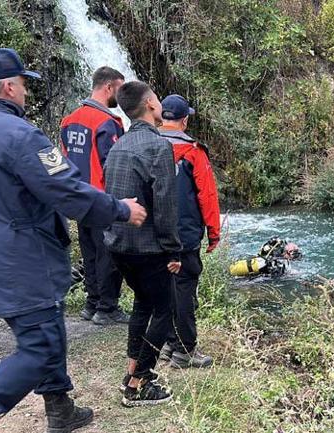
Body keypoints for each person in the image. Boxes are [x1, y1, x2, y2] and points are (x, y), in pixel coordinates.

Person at [0, 48, 146, 433]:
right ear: (9, 87)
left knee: (48, 328)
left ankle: (60, 410)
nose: (27, 93)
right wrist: (122, 210)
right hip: (21, 259)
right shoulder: (18, 135)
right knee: (40, 347)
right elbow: (68, 192)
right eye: (25, 85)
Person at [103, 81, 182, 407]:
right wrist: (173, 248)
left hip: (118, 243)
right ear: (151, 104)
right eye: (158, 98)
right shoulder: (157, 146)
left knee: (142, 305)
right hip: (149, 248)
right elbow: (164, 204)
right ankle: (139, 383)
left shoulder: (118, 145)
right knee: (165, 310)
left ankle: (131, 368)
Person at [155, 95, 220, 369]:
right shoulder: (194, 152)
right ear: (184, 120)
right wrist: (214, 233)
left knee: (164, 287)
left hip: (153, 232)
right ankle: (185, 349)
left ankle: (169, 343)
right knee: (184, 288)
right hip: (184, 233)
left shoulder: (147, 144)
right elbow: (207, 195)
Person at [60, 66, 128, 325]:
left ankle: (92, 303)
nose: (121, 97)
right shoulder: (106, 122)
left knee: (89, 252)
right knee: (109, 253)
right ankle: (107, 308)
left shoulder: (69, 120)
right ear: (109, 87)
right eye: (120, 89)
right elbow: (112, 163)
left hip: (78, 196)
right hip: (101, 198)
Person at [229, 237, 302, 277]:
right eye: (294, 253)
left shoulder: (269, 253)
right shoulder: (280, 264)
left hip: (242, 265)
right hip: (246, 274)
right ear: (288, 253)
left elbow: (262, 251)